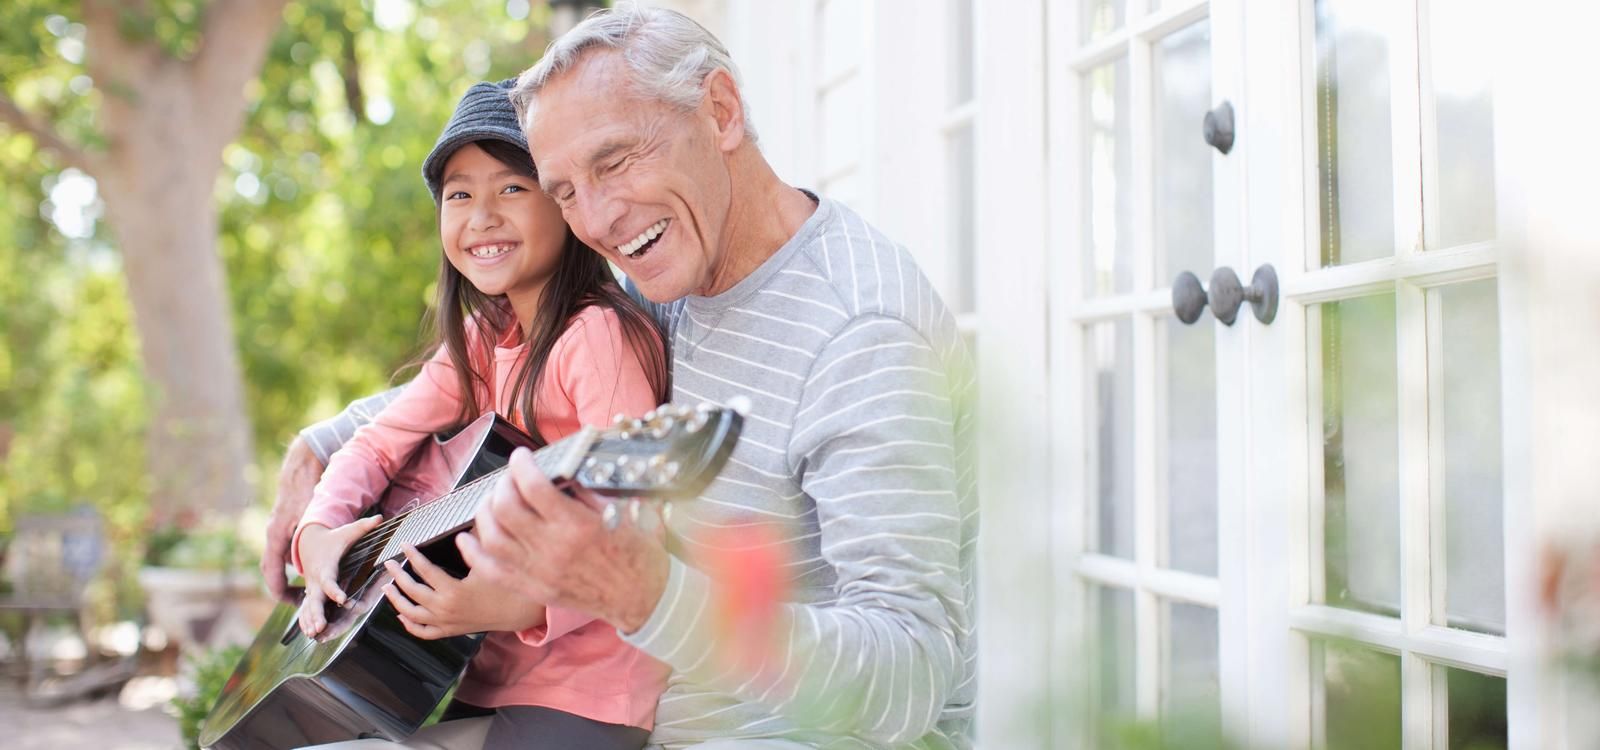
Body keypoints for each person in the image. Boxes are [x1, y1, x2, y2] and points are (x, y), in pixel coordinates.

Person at [457, 6, 980, 749]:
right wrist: (326, 445)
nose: (598, 220)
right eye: (565, 191)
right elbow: (511, 365)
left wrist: (652, 597)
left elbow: (911, 674)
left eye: (614, 161)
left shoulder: (860, 330)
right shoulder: (669, 281)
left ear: (722, 112)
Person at [289, 78, 672, 749]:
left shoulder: (596, 339)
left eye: (512, 188)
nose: (482, 215)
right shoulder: (481, 340)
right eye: (460, 194)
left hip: (587, 692)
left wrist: (513, 606)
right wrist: (317, 532)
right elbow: (377, 445)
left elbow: (632, 524)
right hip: (487, 676)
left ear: (564, 203)